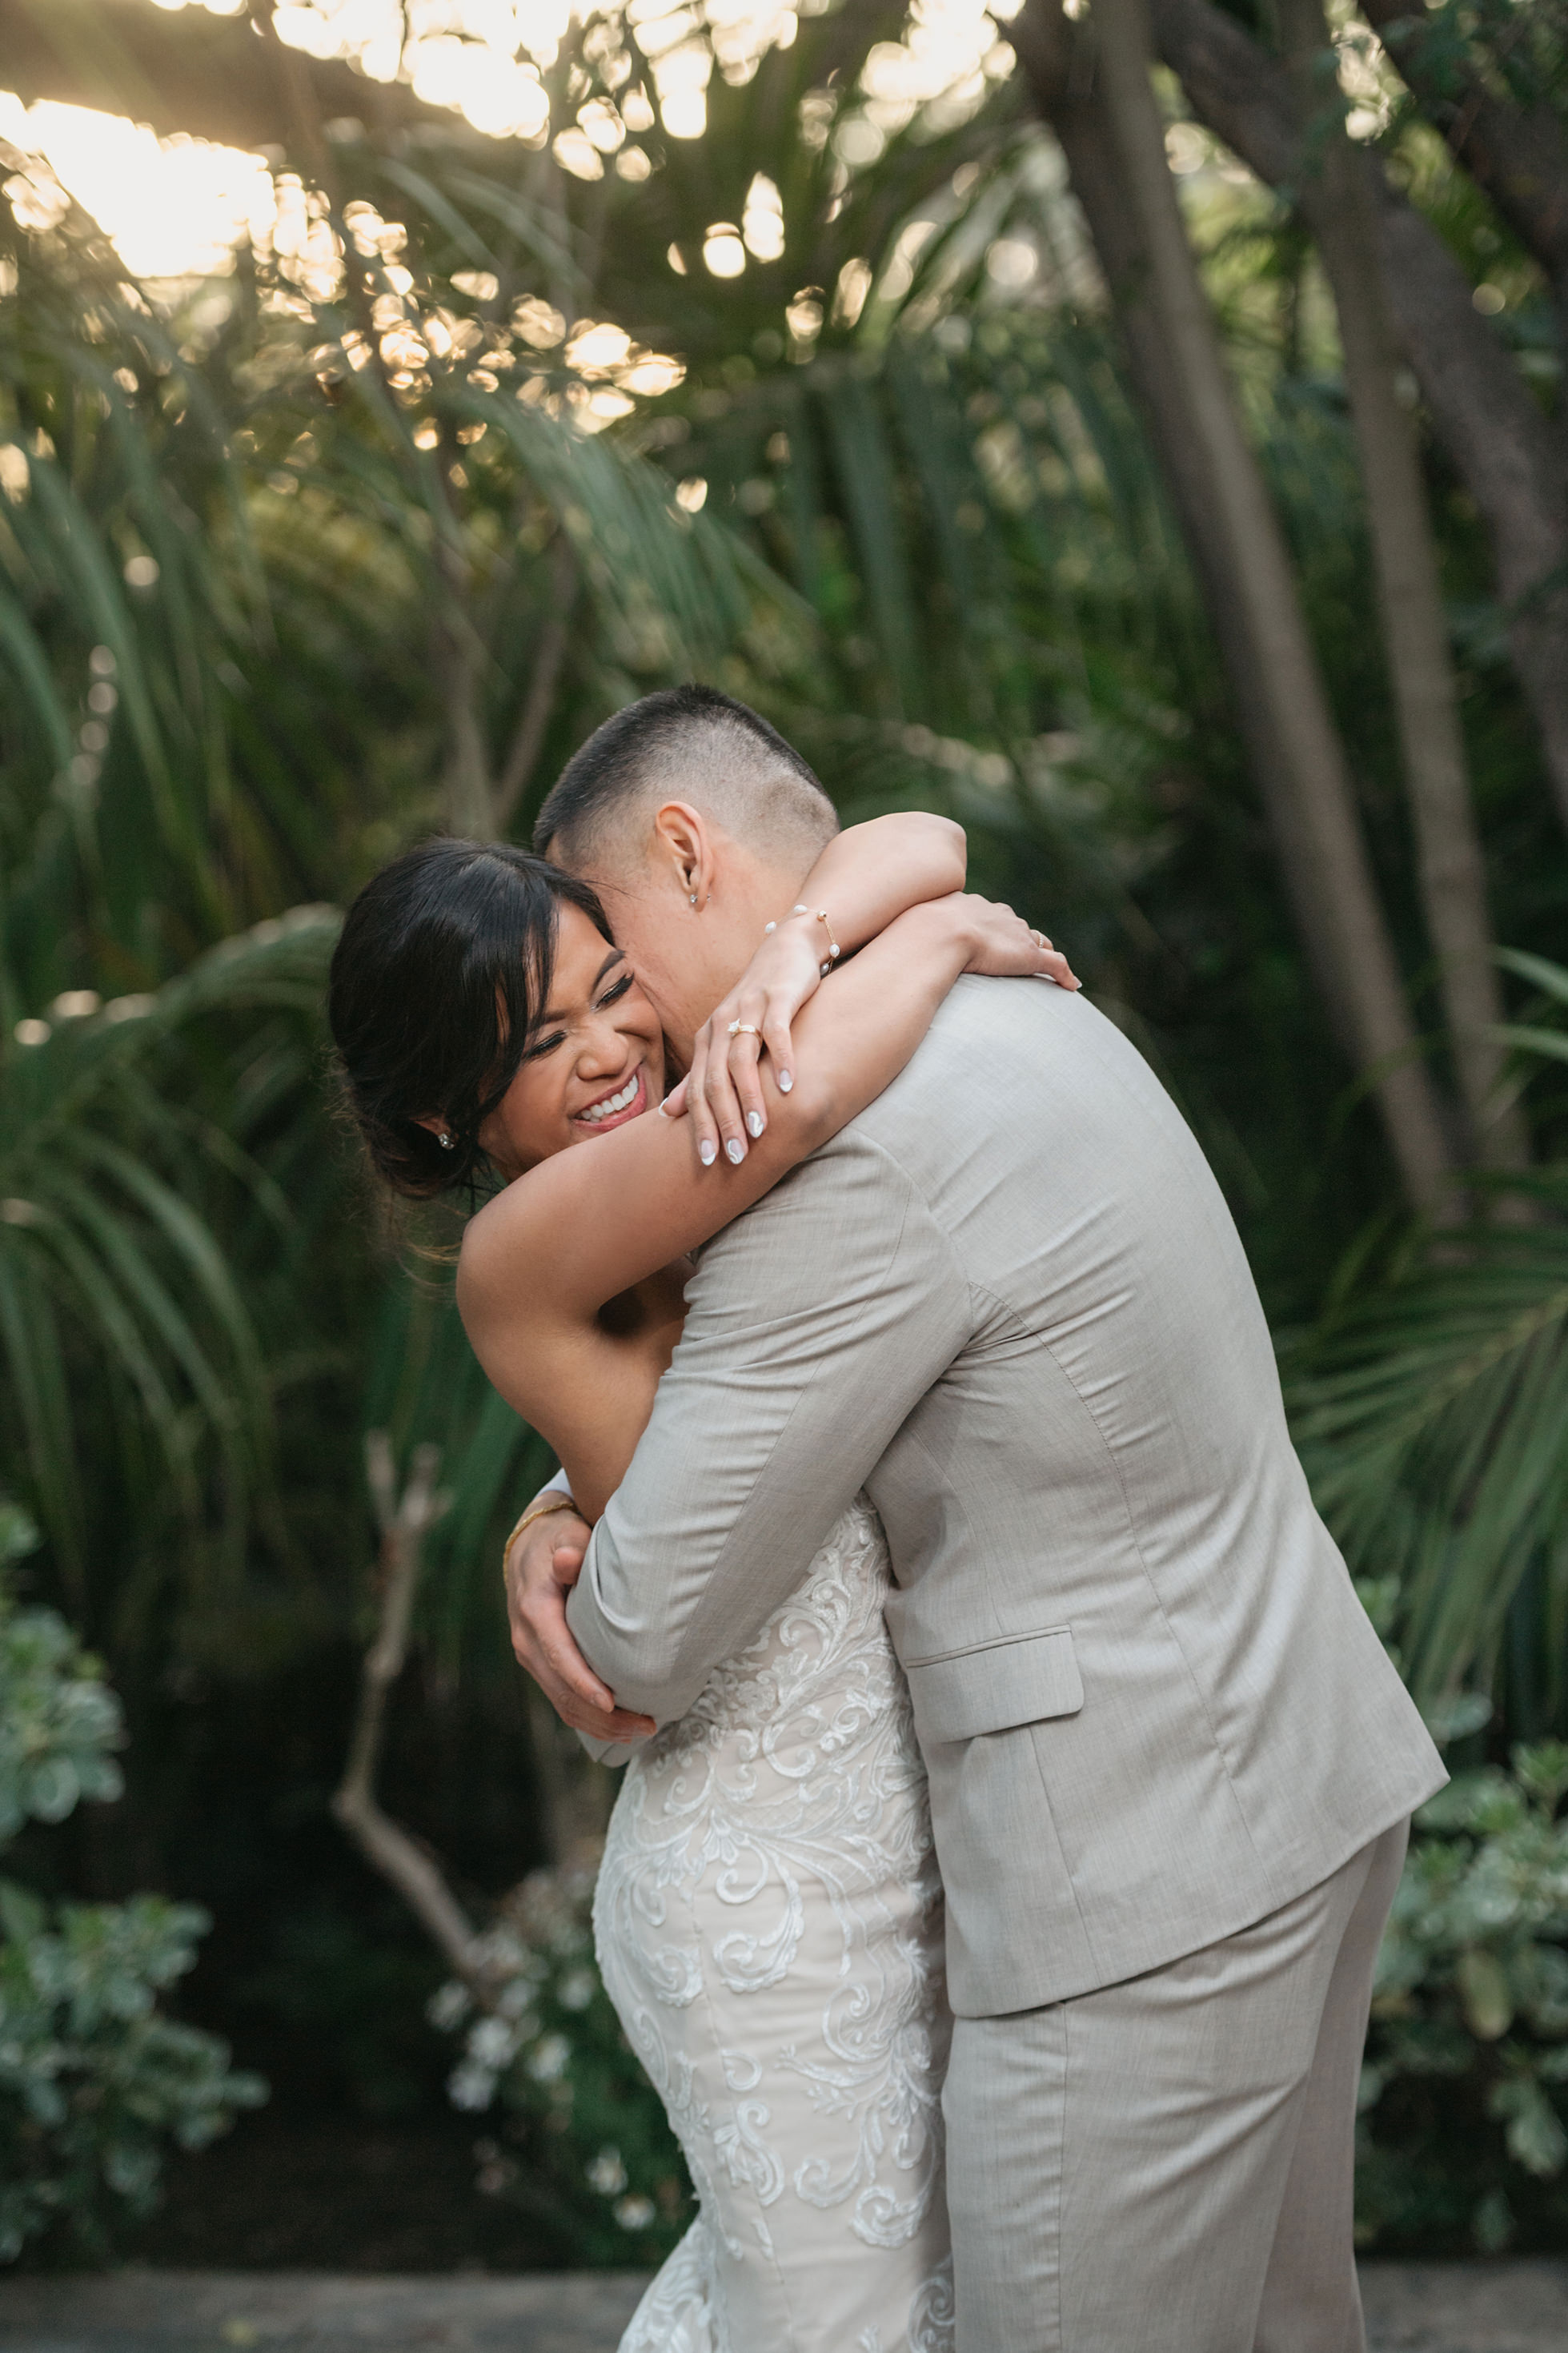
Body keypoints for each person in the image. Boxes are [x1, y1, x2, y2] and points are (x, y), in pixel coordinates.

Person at [504, 685, 1449, 2353]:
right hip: (1287, 1778)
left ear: (683, 850)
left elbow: (646, 1630)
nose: (632, 1032)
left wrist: (561, 1563)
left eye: (622, 968)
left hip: (1137, 1880)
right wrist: (551, 1505)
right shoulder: (1011, 990)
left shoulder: (854, 1158)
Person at [327, 799, 1070, 2353]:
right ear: (452, 1115)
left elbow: (919, 826)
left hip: (896, 1858)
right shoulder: (521, 1247)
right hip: (763, 1902)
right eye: (538, 1039)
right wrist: (929, 941)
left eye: (613, 991)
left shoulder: (663, 1200)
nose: (606, 1049)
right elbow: (794, 1097)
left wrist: (810, 934)